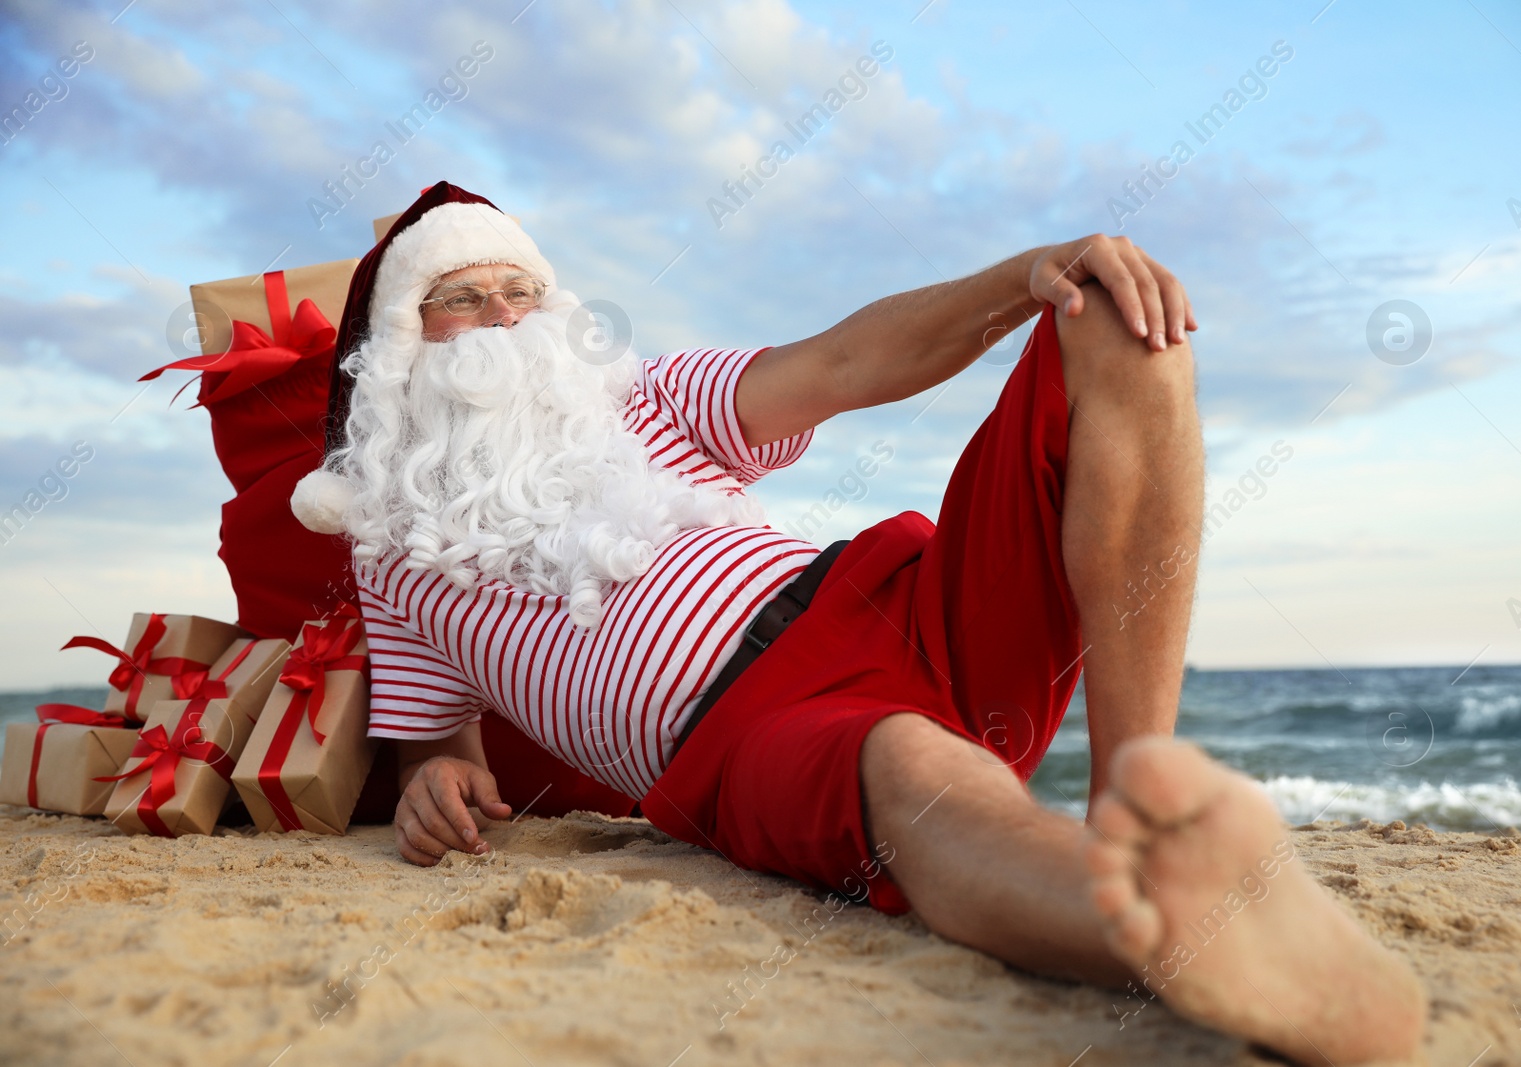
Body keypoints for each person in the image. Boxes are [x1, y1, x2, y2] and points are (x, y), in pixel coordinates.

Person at [293, 181, 1425, 1064]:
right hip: (751, 727)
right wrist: (438, 782)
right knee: (917, 764)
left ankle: (1142, 797)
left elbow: (844, 360)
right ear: (402, 345)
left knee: (1122, 321)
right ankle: (1169, 925)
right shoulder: (391, 551)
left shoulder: (644, 401)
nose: (502, 317)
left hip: (891, 595)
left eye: (519, 290)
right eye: (460, 298)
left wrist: (1027, 278)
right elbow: (437, 743)